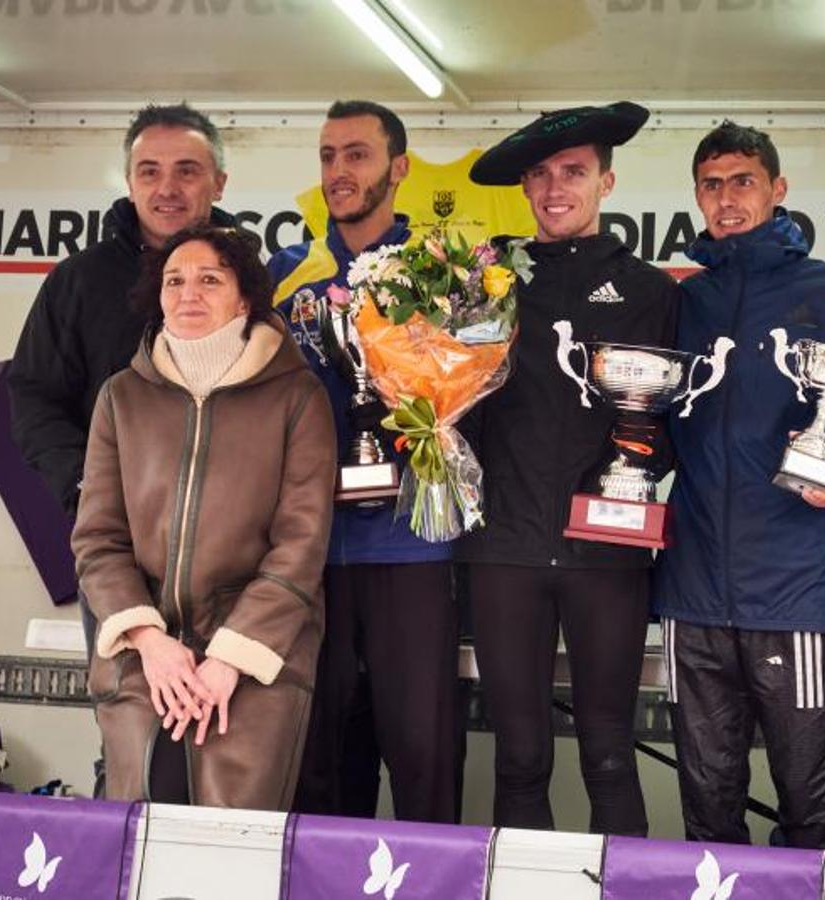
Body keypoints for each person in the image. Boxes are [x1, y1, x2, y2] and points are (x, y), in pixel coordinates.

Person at [461, 102, 680, 836]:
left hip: (607, 554)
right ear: (525, 188)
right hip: (503, 553)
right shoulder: (486, 284)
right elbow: (453, 401)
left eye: (574, 173)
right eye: (541, 175)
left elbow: (674, 422)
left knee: (610, 755)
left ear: (607, 183)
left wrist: (630, 476)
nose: (557, 189)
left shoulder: (652, 293)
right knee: (520, 758)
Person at [653, 122, 825, 848]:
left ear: (778, 190)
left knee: (810, 807)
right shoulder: (685, 301)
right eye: (712, 185)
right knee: (706, 803)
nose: (727, 198)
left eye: (742, 180)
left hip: (793, 588)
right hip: (692, 585)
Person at [72, 224, 335, 809]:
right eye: (175, 280)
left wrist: (226, 660)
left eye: (209, 279)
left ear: (244, 299)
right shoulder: (121, 397)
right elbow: (97, 540)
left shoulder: (298, 397)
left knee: (227, 850)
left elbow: (301, 543)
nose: (188, 293)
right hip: (146, 659)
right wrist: (149, 641)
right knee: (137, 838)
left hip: (251, 661)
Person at [267, 100, 458, 824]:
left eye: (356, 155)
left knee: (423, 759)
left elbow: (472, 394)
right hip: (308, 553)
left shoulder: (440, 270)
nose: (338, 172)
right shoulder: (288, 276)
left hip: (412, 545)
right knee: (318, 766)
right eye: (327, 156)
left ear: (398, 169)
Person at [9, 103, 236, 669]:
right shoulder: (77, 281)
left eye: (187, 170)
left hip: (234, 551)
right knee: (128, 721)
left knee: (235, 727)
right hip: (120, 552)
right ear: (130, 183)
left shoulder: (254, 280)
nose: (168, 188)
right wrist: (86, 490)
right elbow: (34, 399)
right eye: (149, 171)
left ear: (219, 182)